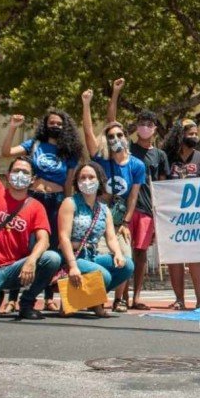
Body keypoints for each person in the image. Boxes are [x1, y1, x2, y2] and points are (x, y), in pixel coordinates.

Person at [0, 104, 61, 321]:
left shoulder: (35, 206)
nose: (20, 175)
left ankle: (26, 302)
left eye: (25, 173)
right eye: (16, 171)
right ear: (7, 176)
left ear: (32, 180)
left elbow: (44, 239)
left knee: (52, 257)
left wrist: (32, 260)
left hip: (16, 269)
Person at [0, 108, 82, 313]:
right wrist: (12, 128)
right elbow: (6, 152)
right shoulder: (34, 144)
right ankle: (13, 297)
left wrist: (68, 203)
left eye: (59, 124)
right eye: (51, 123)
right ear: (45, 125)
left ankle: (47, 297)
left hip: (56, 201)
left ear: (65, 128)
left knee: (52, 248)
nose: (55, 126)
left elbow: (69, 181)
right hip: (33, 199)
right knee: (25, 245)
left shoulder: (70, 152)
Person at [106, 78, 169, 311]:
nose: (145, 127)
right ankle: (119, 297)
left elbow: (163, 188)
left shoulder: (160, 156)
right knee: (122, 251)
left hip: (145, 209)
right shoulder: (127, 147)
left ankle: (136, 296)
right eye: (141, 123)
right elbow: (111, 122)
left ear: (155, 128)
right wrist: (115, 94)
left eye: (149, 124)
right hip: (122, 209)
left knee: (140, 254)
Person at [81, 89, 146, 313]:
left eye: (119, 135)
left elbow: (133, 197)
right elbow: (89, 133)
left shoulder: (136, 165)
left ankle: (119, 299)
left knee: (125, 258)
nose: (115, 139)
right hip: (98, 220)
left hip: (119, 222)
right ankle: (94, 298)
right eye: (111, 137)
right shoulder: (101, 159)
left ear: (125, 139)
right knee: (100, 257)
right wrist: (86, 104)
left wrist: (126, 223)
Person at [57, 162, 134, 317]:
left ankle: (89, 300)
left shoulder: (104, 209)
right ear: (77, 182)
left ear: (99, 180)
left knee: (127, 266)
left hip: (92, 256)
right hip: (73, 256)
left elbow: (111, 237)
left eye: (91, 177)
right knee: (103, 275)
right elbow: (63, 237)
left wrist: (118, 253)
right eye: (83, 177)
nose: (87, 181)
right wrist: (72, 265)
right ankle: (78, 301)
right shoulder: (70, 203)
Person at [162, 117, 200, 310]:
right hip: (172, 216)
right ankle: (179, 299)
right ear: (179, 135)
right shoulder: (168, 157)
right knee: (175, 260)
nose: (194, 137)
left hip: (195, 218)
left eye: (195, 134)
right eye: (189, 134)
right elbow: (161, 184)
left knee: (196, 259)